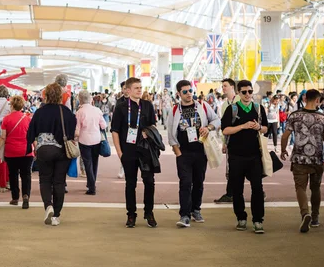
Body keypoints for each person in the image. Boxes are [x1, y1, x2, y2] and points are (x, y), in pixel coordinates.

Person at [167, 80, 220, 228]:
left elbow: (216, 119)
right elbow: (171, 133)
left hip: (200, 151)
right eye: (185, 92)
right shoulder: (174, 110)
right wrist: (177, 151)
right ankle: (184, 215)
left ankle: (196, 209)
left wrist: (208, 127)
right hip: (183, 153)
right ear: (179, 94)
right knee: (185, 183)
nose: (189, 94)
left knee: (198, 182)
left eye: (190, 91)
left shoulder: (202, 105)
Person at [280, 89, 324, 233]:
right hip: (317, 159)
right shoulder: (323, 118)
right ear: (317, 100)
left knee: (300, 187)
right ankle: (315, 218)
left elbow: (285, 136)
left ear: (304, 98)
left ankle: (305, 213)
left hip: (299, 158)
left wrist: (283, 150)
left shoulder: (295, 116)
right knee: (316, 188)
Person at [221, 80, 268, 234]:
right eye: (244, 92)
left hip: (254, 156)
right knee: (237, 189)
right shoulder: (231, 109)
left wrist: (258, 127)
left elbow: (266, 128)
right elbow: (225, 130)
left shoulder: (258, 109)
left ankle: (258, 220)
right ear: (238, 93)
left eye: (250, 91)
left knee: (257, 189)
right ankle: (241, 217)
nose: (248, 95)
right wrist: (242, 126)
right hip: (236, 156)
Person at [27, 83, 76, 226]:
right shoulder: (66, 112)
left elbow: (31, 132)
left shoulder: (40, 112)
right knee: (59, 182)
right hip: (61, 150)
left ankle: (48, 205)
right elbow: (72, 130)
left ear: (45, 95)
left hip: (43, 150)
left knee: (45, 179)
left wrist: (34, 143)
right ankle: (56, 215)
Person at [111, 77, 158, 228]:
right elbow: (115, 131)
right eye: (136, 88)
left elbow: (153, 125)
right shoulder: (121, 107)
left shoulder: (147, 106)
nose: (139, 90)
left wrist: (148, 132)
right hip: (128, 151)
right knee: (130, 184)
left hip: (146, 151)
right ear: (128, 90)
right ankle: (131, 214)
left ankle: (149, 212)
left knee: (149, 182)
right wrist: (119, 152)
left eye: (140, 87)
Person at [0, 95, 33, 208]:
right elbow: (32, 136)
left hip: (11, 152)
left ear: (11, 105)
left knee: (13, 174)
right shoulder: (27, 118)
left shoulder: (6, 119)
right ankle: (26, 196)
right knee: (26, 175)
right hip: (26, 151)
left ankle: (15, 197)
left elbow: (2, 137)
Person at [75, 90, 106, 195]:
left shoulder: (79, 112)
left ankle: (91, 186)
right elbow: (104, 125)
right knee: (95, 162)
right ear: (90, 99)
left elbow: (77, 129)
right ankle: (91, 182)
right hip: (96, 139)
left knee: (87, 163)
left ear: (80, 100)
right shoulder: (97, 110)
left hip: (84, 140)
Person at [215, 78, 239, 204]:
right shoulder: (224, 105)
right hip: (230, 140)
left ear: (232, 87)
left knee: (245, 167)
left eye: (225, 86)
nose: (223, 88)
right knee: (231, 167)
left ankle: (259, 191)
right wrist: (224, 142)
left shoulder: (241, 101)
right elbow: (224, 125)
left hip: (243, 140)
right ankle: (230, 193)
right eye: (222, 86)